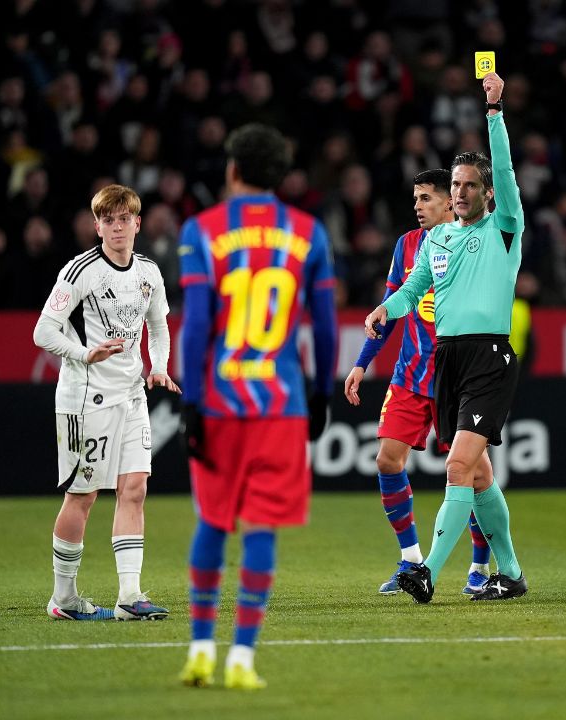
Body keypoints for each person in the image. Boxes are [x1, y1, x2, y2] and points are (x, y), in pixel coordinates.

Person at [177, 123, 338, 689]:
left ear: (233, 170)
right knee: (261, 528)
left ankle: (201, 648)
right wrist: (321, 393)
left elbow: (197, 323)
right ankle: (242, 658)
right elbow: (324, 325)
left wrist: (191, 400)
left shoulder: (202, 230)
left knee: (213, 521)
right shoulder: (310, 233)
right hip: (281, 403)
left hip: (221, 402)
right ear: (281, 175)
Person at [363, 71, 527, 603]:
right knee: (476, 475)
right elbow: (412, 290)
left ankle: (426, 570)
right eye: (454, 185)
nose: (459, 193)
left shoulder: (503, 227)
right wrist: (384, 310)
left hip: (488, 358)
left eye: (469, 185)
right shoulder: (436, 239)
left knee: (456, 466)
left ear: (488, 193)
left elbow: (504, 167)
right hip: (446, 360)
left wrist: (494, 112)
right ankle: (510, 572)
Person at [343, 168, 495, 597]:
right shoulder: (407, 245)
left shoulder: (474, 242)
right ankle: (410, 559)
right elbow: (392, 305)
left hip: (459, 378)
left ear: (450, 201)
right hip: (410, 375)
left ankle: (481, 565)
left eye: (426, 198)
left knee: (473, 475)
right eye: (415, 199)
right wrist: (362, 363)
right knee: (387, 461)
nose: (417, 206)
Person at [32, 184, 180, 622]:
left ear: (137, 223)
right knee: (83, 496)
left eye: (124, 219)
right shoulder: (80, 271)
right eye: (108, 220)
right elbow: (43, 331)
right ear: (97, 227)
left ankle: (130, 597)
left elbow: (158, 326)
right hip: (86, 397)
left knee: (135, 489)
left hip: (132, 394)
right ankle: (64, 598)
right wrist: (84, 354)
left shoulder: (149, 272)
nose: (117, 227)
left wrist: (159, 366)